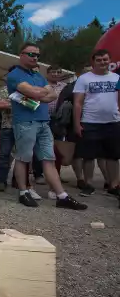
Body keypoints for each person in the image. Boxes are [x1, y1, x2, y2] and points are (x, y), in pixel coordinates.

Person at [7, 43, 86, 209]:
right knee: (23, 157)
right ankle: (23, 192)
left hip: (43, 122)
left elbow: (53, 94)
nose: (35, 58)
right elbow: (40, 93)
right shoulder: (14, 75)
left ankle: (61, 196)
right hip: (25, 122)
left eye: (37, 55)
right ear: (21, 55)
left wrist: (37, 93)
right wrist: (40, 93)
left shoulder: (39, 76)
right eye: (31, 54)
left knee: (49, 158)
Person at [73, 49, 120, 196]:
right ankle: (88, 184)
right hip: (90, 122)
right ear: (93, 61)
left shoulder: (116, 77)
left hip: (113, 122)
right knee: (88, 156)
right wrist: (77, 123)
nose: (102, 62)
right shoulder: (84, 79)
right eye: (99, 60)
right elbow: (78, 103)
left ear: (110, 61)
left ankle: (114, 185)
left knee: (113, 156)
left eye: (105, 60)